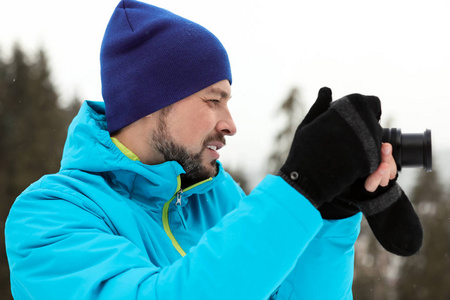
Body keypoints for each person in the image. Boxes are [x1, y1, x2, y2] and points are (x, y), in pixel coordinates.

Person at [5, 0, 422, 299]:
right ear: (152, 100)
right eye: (212, 100)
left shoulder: (216, 197)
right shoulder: (48, 218)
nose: (230, 123)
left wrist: (328, 213)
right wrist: (299, 187)